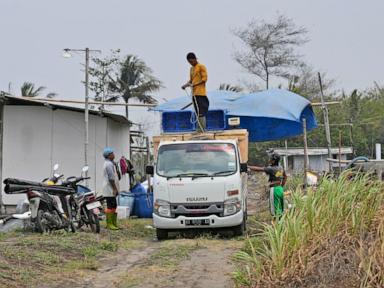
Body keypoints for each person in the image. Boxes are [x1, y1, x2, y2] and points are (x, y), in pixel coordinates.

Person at [248, 151, 287, 219]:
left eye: (271, 159)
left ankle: (277, 227)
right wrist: (281, 186)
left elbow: (259, 169)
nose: (269, 160)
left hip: (274, 190)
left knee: (275, 211)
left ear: (274, 160)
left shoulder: (272, 169)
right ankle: (281, 225)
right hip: (280, 189)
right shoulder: (281, 168)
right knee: (280, 209)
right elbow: (285, 177)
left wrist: (248, 167)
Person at [181, 52, 209, 132]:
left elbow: (204, 80)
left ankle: (202, 129)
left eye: (191, 61)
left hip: (201, 93)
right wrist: (185, 85)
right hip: (194, 93)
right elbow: (191, 80)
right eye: (189, 62)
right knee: (197, 112)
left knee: (201, 111)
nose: (191, 63)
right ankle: (198, 129)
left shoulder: (201, 67)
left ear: (195, 59)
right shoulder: (192, 69)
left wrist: (195, 85)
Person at [102, 147, 120, 230]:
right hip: (109, 189)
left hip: (110, 188)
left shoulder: (110, 163)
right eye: (112, 153)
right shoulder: (108, 164)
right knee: (111, 205)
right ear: (109, 155)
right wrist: (114, 189)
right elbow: (111, 178)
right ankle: (110, 224)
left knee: (113, 205)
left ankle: (113, 223)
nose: (114, 154)